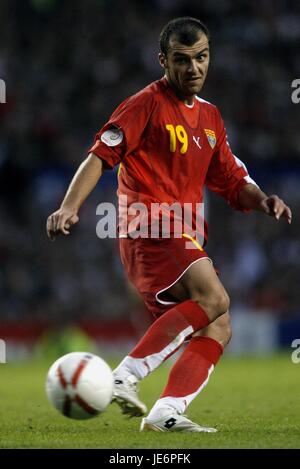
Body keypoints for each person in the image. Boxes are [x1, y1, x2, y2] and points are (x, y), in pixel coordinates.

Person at [46, 17, 292, 433]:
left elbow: (231, 178)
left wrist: (263, 200)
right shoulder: (145, 104)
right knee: (215, 295)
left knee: (218, 324)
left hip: (183, 231)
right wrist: (69, 207)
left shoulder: (211, 119)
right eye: (182, 60)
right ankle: (124, 376)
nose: (194, 68)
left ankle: (166, 413)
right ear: (163, 61)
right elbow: (99, 155)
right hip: (146, 224)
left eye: (202, 58)